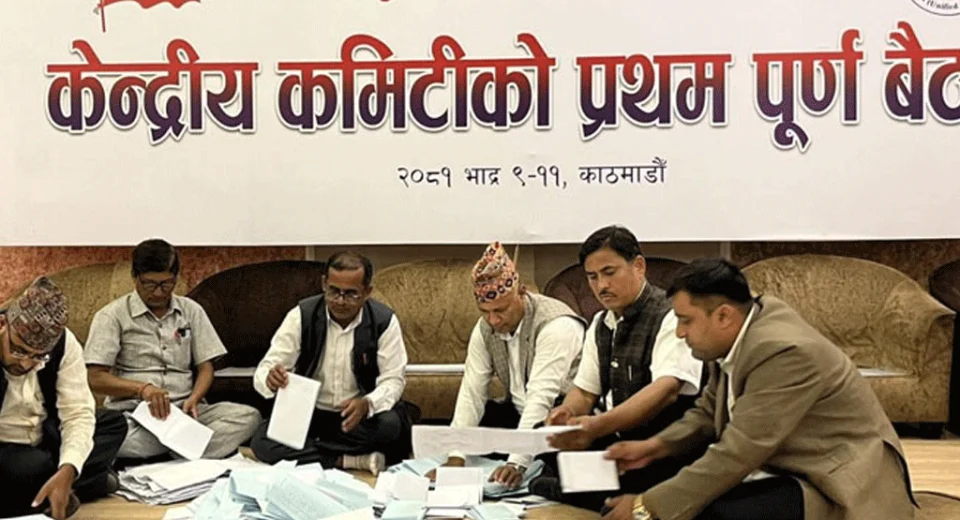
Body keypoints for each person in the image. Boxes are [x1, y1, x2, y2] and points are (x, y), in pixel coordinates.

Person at [602, 259, 917, 520]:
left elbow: (739, 452)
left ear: (724, 315)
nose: (680, 333)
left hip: (831, 479)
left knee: (705, 511)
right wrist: (654, 447)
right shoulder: (739, 328)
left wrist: (647, 507)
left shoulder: (783, 352)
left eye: (686, 321)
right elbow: (709, 412)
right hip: (780, 462)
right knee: (656, 481)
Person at [529, 226, 704, 511]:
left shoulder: (672, 317)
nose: (602, 286)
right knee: (548, 436)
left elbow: (666, 391)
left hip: (660, 447)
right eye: (592, 277)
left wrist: (595, 427)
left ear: (638, 266)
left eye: (609, 273)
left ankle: (579, 489)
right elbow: (585, 392)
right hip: (615, 442)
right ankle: (589, 487)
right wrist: (567, 413)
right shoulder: (601, 323)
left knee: (623, 470)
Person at [85, 239, 261, 461]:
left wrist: (195, 398)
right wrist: (143, 390)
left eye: (167, 284)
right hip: (136, 415)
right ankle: (187, 450)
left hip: (185, 412)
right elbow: (94, 378)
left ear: (176, 278)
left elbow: (206, 367)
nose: (159, 293)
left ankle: (171, 452)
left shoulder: (191, 311)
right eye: (150, 284)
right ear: (135, 277)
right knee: (108, 437)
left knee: (249, 417)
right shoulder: (112, 316)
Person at [428, 242, 586, 488]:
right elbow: (472, 392)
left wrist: (516, 463)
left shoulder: (555, 324)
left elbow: (540, 398)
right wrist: (456, 458)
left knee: (554, 458)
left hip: (557, 416)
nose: (493, 320)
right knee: (479, 420)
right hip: (518, 413)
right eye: (485, 311)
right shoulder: (485, 328)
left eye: (500, 310)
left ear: (521, 293)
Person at [250, 252, 413, 475]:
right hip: (311, 415)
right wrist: (270, 379)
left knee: (390, 426)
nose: (340, 301)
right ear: (323, 284)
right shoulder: (302, 316)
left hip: (356, 418)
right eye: (334, 291)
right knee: (262, 442)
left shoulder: (383, 321)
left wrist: (367, 403)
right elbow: (265, 369)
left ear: (367, 292)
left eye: (351, 294)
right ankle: (346, 460)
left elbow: (393, 380)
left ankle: (315, 452)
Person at [0, 277, 126, 520]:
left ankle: (58, 485)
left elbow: (77, 412)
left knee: (113, 424)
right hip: (6, 449)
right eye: (19, 350)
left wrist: (69, 468)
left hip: (47, 436)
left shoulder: (65, 344)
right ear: (2, 324)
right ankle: (80, 484)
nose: (25, 363)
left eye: (39, 357)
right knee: (31, 466)